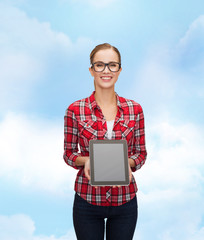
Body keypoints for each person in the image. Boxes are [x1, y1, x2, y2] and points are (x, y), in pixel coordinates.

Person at [63, 43, 147, 240]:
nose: (106, 71)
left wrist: (125, 163)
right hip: (87, 200)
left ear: (119, 70)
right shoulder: (75, 109)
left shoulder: (135, 109)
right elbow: (68, 154)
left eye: (112, 65)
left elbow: (141, 154)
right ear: (91, 70)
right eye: (100, 65)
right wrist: (88, 161)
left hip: (125, 201)